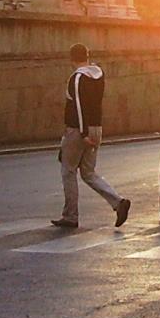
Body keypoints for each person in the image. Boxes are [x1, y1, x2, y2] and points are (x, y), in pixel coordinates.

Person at [54, 42, 129, 230]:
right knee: (88, 173)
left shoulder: (77, 78)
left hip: (78, 130)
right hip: (97, 127)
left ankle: (70, 216)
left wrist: (83, 133)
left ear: (72, 58)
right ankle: (118, 202)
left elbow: (79, 106)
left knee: (68, 171)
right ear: (87, 56)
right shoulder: (98, 74)